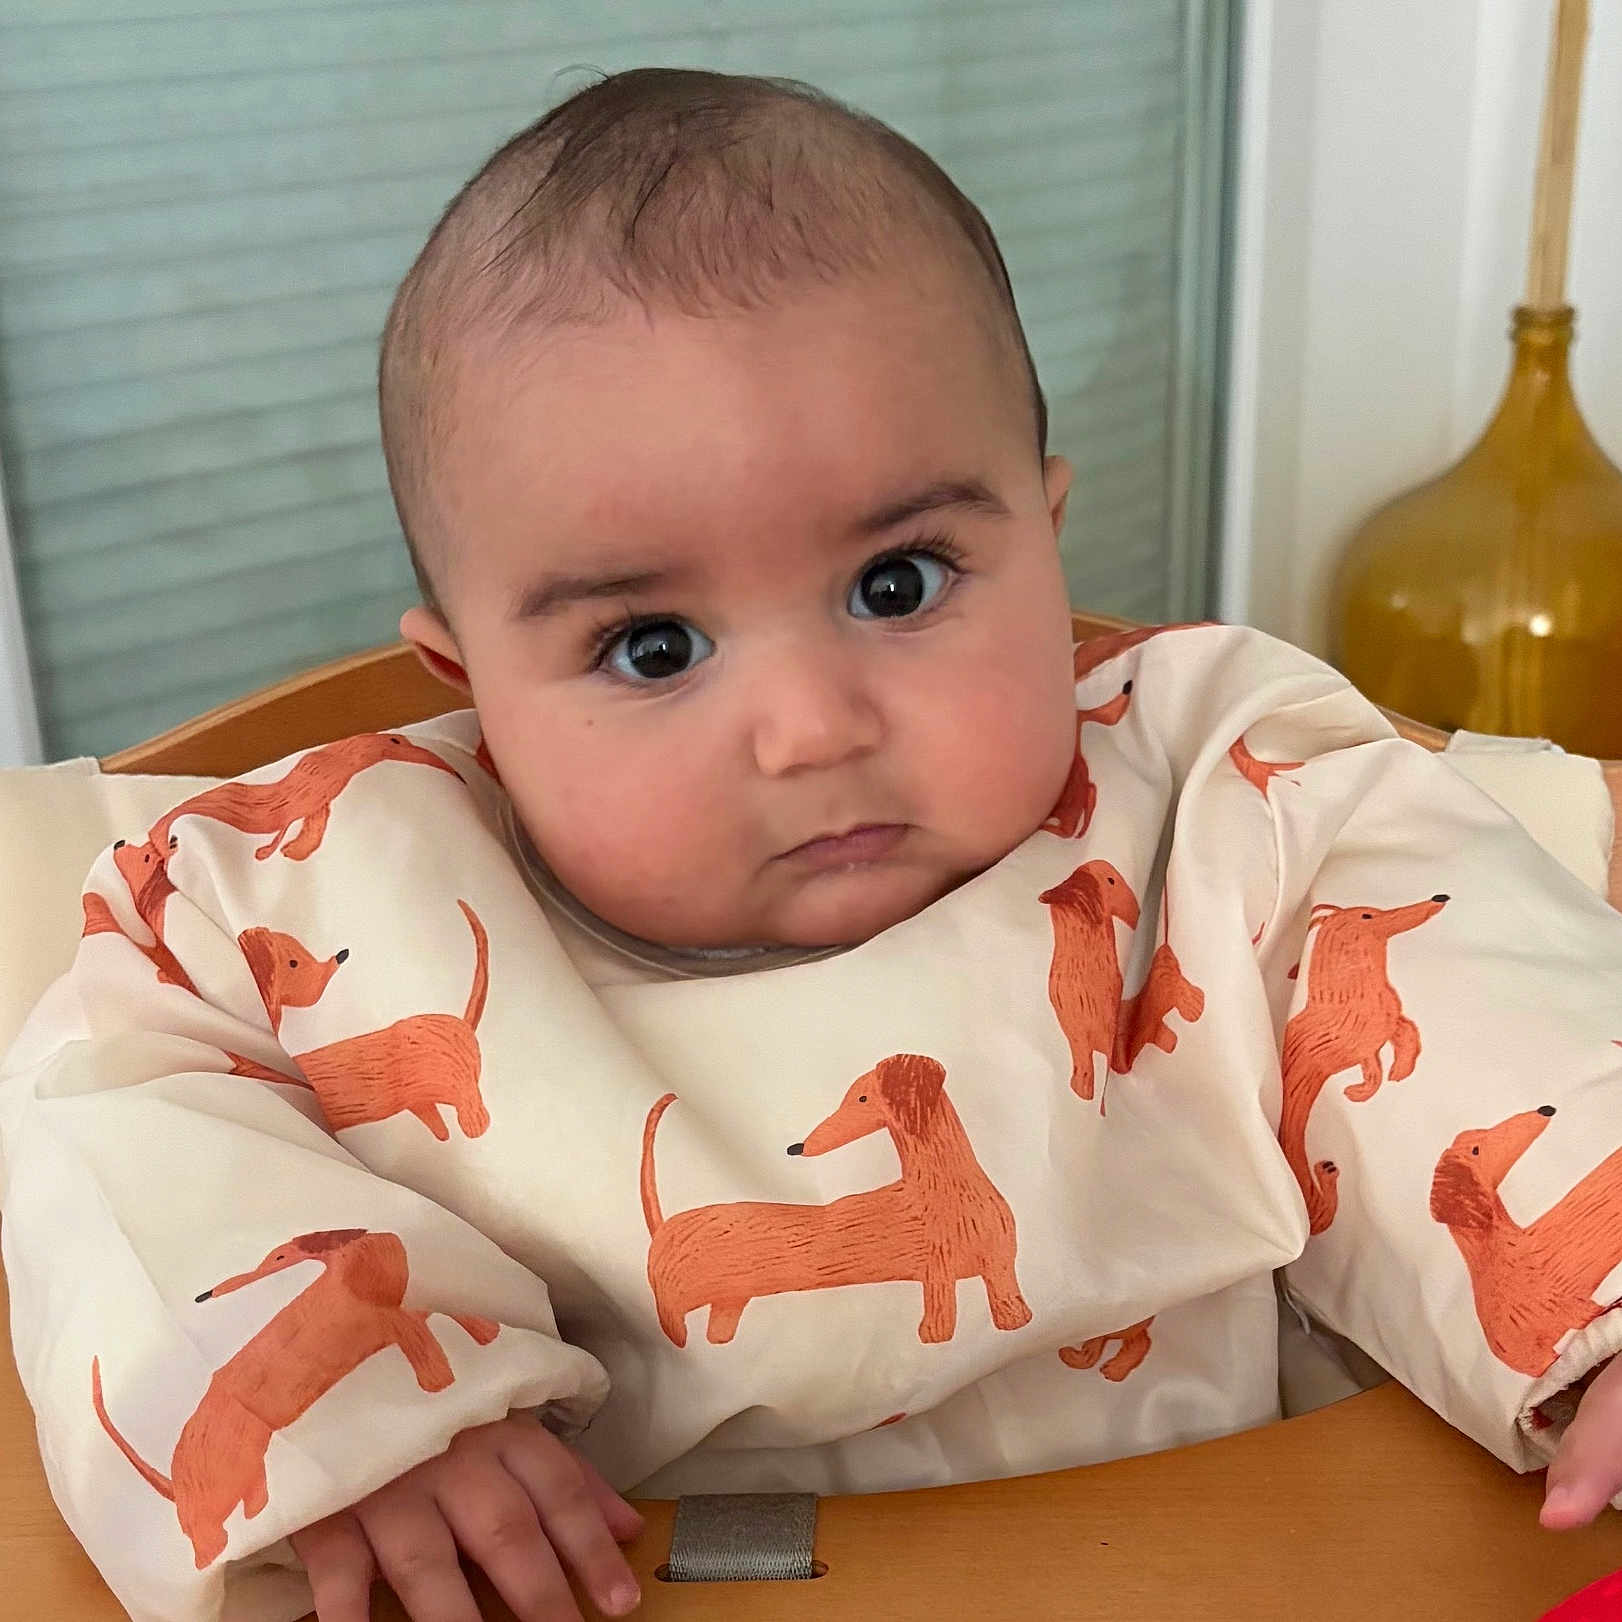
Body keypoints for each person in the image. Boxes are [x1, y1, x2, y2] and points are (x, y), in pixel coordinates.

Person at [4, 68, 1622, 1622]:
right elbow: (121, 1115)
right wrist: (352, 1427)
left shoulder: (1227, 790)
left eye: (899, 582)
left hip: (1229, 1565)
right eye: (651, 646)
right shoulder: (303, 898)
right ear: (473, 688)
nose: (809, 726)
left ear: (1047, 544)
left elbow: (1477, 988)